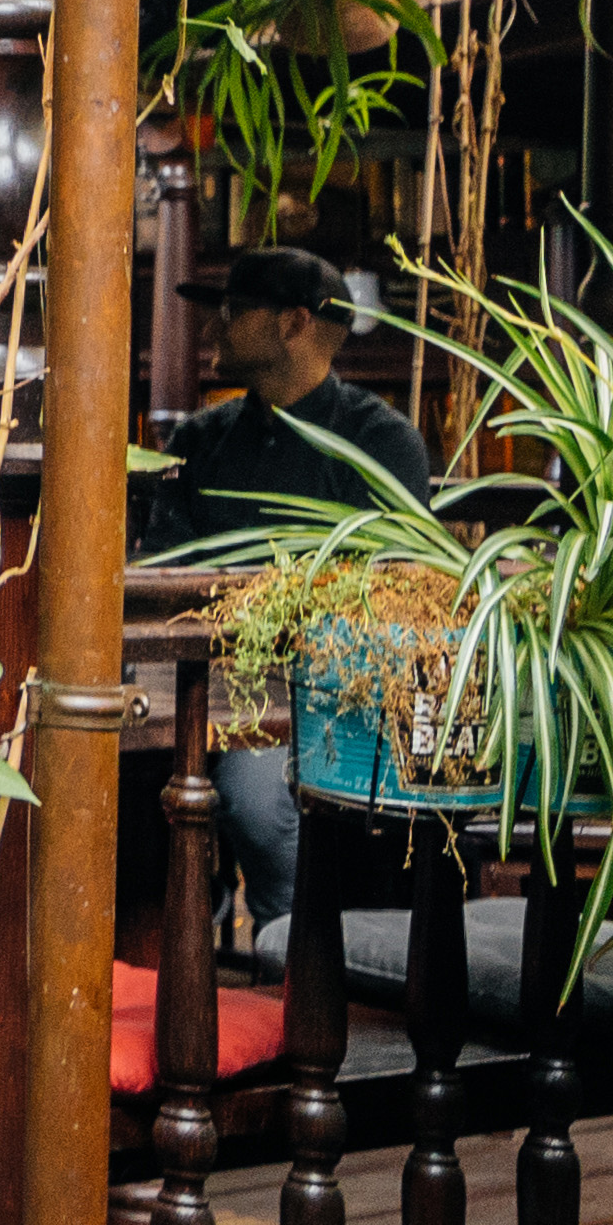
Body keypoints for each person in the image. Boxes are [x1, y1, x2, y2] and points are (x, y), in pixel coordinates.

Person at [147, 245, 444, 940]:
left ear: (291, 323)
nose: (213, 328)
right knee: (122, 776)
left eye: (230, 312)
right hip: (191, 685)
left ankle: (299, 953)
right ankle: (171, 949)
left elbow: (398, 597)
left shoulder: (380, 442)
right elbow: (159, 574)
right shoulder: (198, 441)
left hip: (325, 694)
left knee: (252, 795)